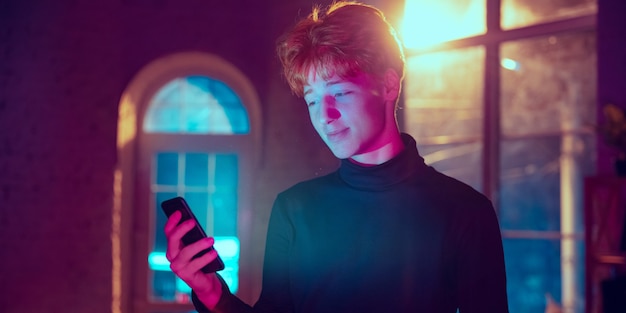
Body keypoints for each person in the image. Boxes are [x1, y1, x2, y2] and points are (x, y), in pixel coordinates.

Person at [164, 1, 510, 312]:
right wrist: (212, 293)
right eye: (312, 99)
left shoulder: (464, 211)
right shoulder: (295, 208)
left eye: (340, 92)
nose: (324, 115)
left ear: (389, 86)